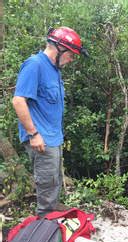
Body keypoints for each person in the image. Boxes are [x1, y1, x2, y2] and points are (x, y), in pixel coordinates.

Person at [12, 27, 88, 217]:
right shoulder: (34, 65)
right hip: (41, 139)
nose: (71, 60)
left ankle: (52, 216)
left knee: (54, 181)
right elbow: (19, 100)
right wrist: (33, 134)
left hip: (53, 137)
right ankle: (44, 227)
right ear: (59, 48)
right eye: (71, 55)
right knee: (47, 184)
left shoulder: (54, 70)